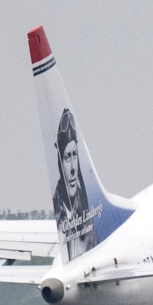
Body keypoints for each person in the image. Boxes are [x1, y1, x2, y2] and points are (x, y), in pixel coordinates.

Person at [51, 108, 97, 259]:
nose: (72, 168)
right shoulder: (60, 217)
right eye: (67, 157)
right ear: (60, 163)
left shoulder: (88, 211)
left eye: (74, 155)